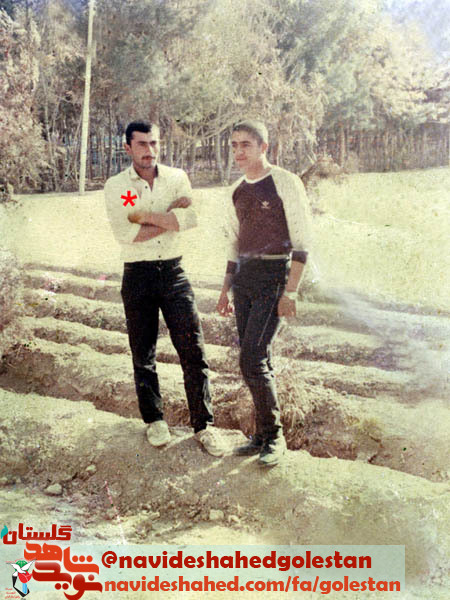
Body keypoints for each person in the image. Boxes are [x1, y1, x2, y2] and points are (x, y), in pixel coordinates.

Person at [104, 120, 224, 456]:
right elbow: (127, 234)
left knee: (193, 350)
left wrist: (145, 215)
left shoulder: (176, 178)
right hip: (137, 275)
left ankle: (204, 425)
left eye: (154, 143)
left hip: (174, 272)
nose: (149, 150)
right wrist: (169, 218)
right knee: (143, 353)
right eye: (142, 144)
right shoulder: (117, 186)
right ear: (127, 147)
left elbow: (190, 218)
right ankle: (155, 420)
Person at [216, 119, 312, 467]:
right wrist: (225, 290)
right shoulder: (236, 190)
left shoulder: (285, 182)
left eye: (246, 144)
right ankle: (260, 435)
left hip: (274, 277)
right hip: (244, 279)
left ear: (264, 147)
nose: (239, 152)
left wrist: (292, 292)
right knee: (257, 358)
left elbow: (302, 242)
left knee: (252, 357)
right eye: (234, 145)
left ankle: (275, 437)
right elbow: (233, 243)